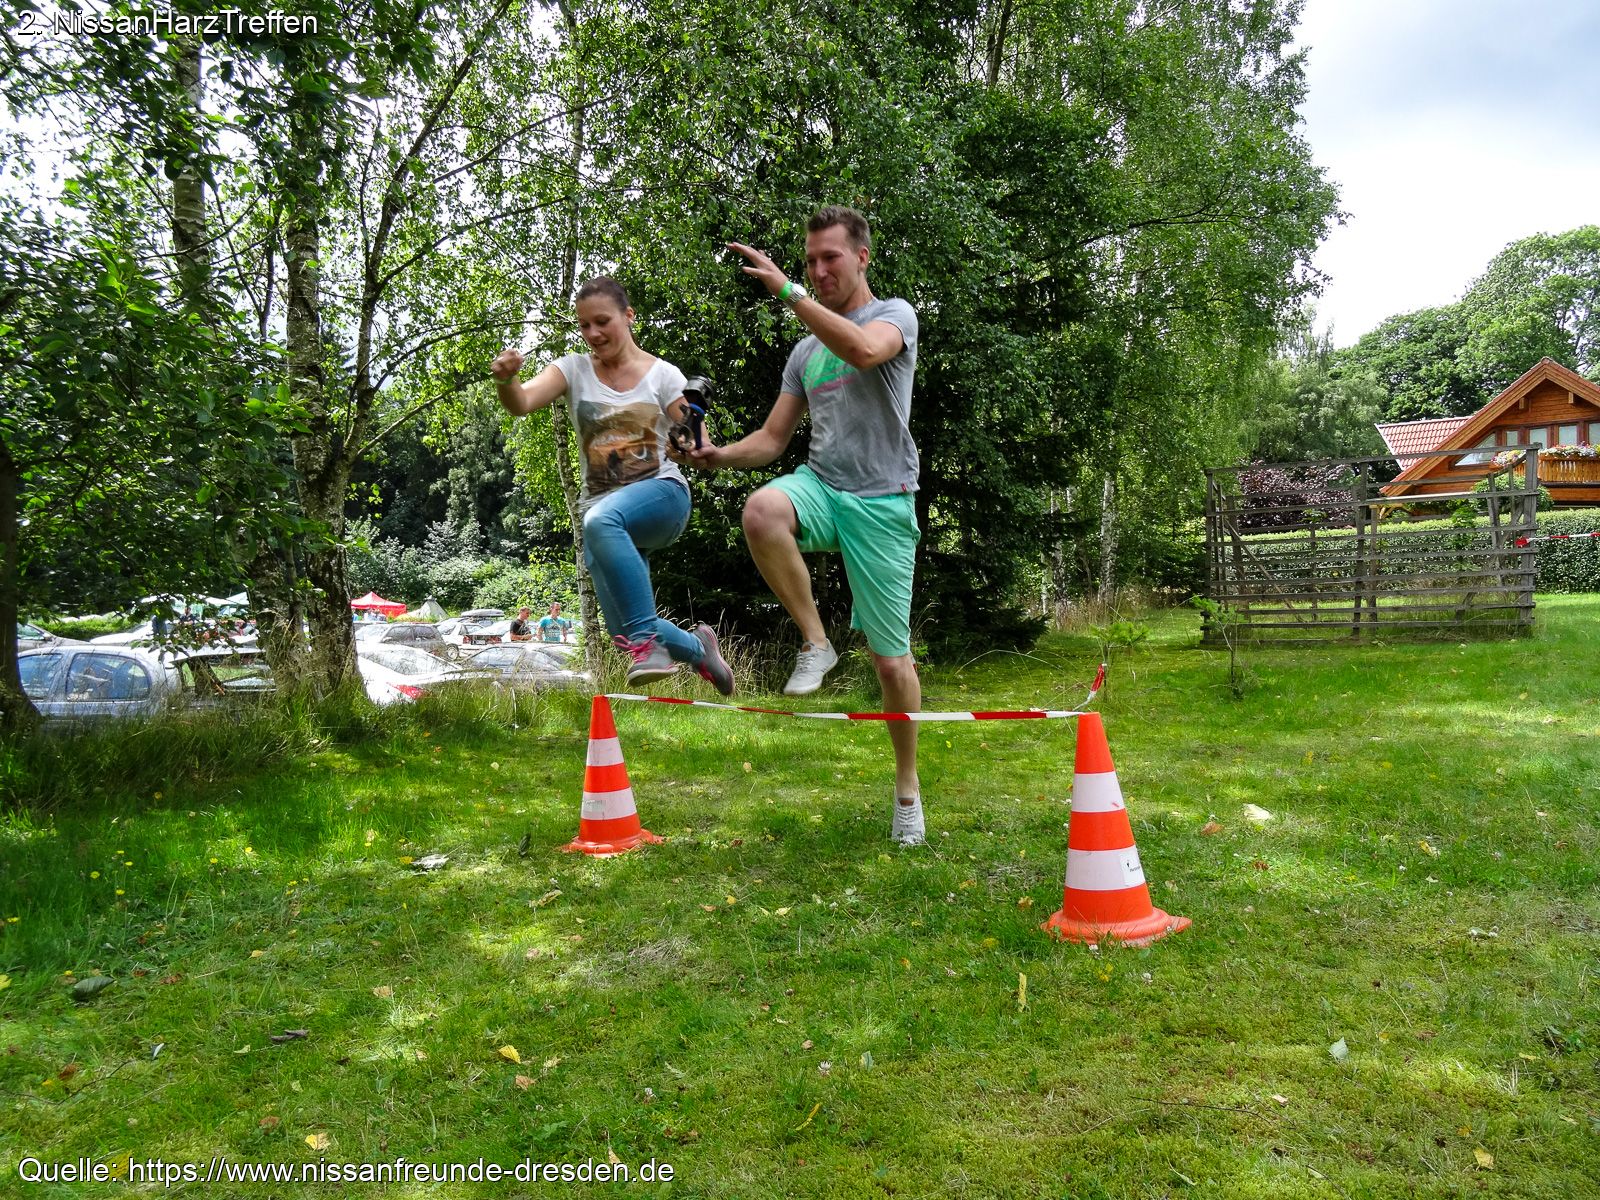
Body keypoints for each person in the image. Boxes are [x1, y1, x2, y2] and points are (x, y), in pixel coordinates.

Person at [686, 206, 925, 845]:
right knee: (761, 509)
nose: (817, 271)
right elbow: (772, 439)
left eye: (830, 258)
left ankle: (907, 788)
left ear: (862, 258)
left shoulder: (894, 316)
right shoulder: (804, 352)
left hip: (882, 502)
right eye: (809, 261)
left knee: (891, 663)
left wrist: (786, 289)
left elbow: (863, 350)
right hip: (821, 486)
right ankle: (816, 643)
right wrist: (717, 455)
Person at [491, 276, 734, 693]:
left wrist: (687, 447)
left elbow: (697, 441)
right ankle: (700, 650)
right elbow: (523, 402)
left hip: (662, 497)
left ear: (628, 316)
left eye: (602, 322)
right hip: (602, 516)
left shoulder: (663, 375)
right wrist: (506, 381)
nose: (593, 333)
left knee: (604, 526)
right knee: (622, 630)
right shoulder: (572, 369)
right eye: (584, 325)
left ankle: (648, 645)